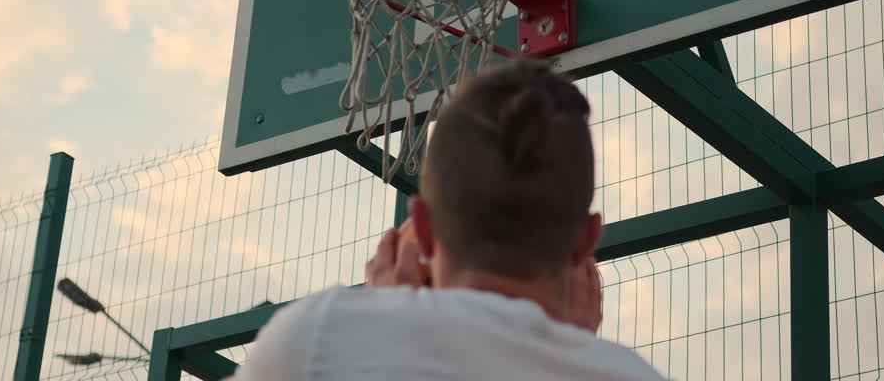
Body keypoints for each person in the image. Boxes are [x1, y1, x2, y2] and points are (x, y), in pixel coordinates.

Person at [232, 59, 668, 380]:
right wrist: (573, 346)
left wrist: (386, 321)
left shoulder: (316, 340)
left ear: (422, 227)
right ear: (586, 241)